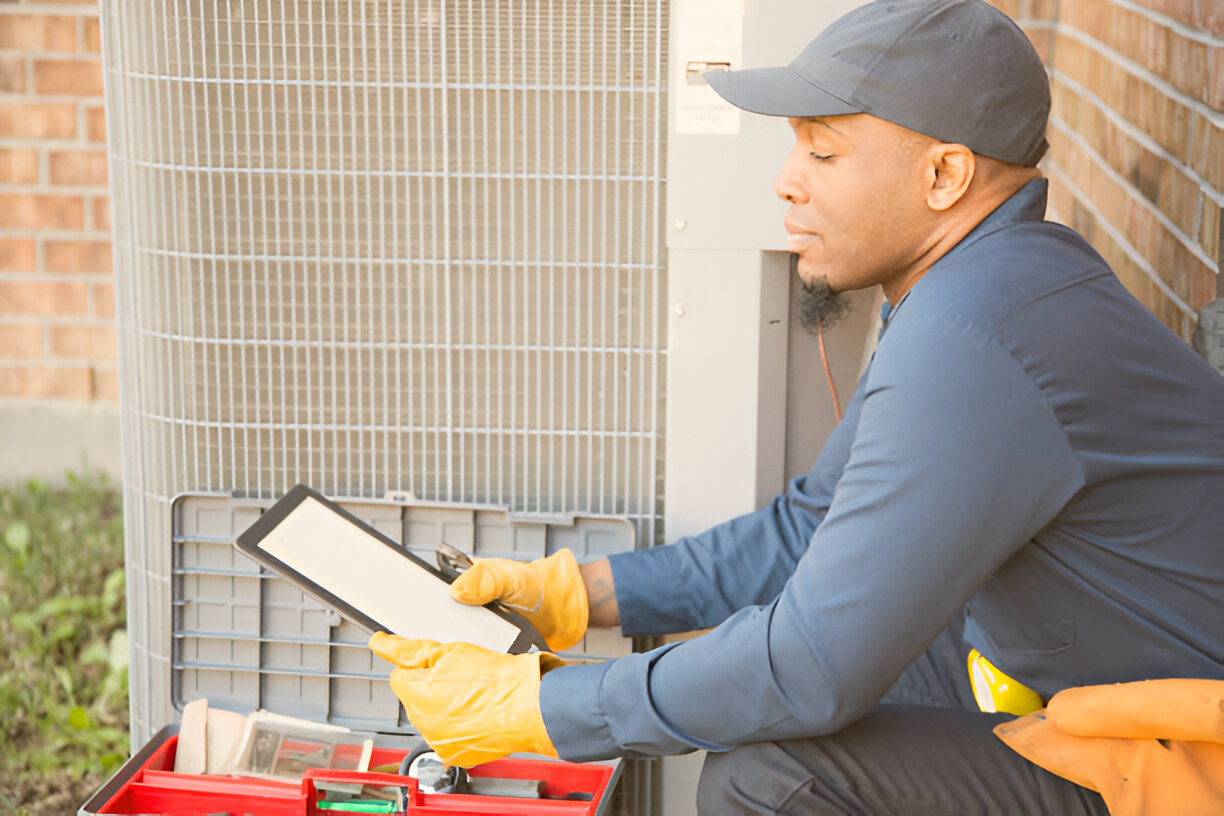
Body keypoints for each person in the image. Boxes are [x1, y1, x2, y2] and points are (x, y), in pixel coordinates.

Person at [368, 0, 1224, 812]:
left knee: (768, 776)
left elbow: (811, 668)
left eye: (822, 154)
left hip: (1189, 763)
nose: (785, 183)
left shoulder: (977, 338)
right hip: (1091, 693)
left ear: (943, 175)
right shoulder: (985, 288)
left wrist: (547, 706)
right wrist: (578, 591)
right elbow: (810, 526)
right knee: (775, 679)